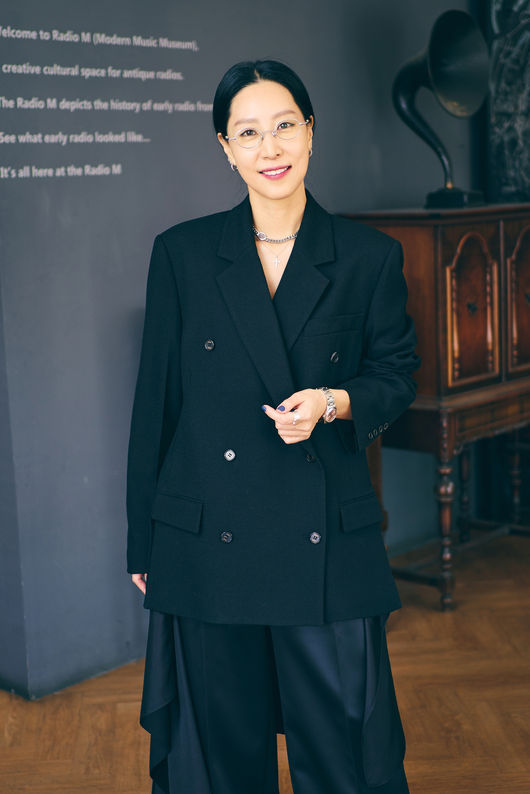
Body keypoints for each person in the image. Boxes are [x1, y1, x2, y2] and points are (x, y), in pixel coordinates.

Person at [126, 59, 421, 794]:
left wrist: (333, 402)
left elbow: (396, 376)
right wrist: (143, 537)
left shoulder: (368, 257)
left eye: (285, 125)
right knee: (218, 765)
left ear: (311, 132)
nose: (271, 148)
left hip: (325, 539)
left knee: (346, 760)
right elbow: (155, 404)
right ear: (225, 148)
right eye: (248, 132)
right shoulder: (183, 254)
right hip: (206, 540)